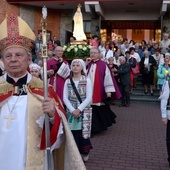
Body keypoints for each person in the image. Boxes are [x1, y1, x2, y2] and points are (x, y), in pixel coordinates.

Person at [0, 14, 86, 170]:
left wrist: (53, 116)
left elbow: (60, 137)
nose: (13, 59)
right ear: (3, 61)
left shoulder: (44, 90)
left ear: (28, 59)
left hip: (34, 159)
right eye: (8, 56)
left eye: (18, 55)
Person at [63, 59, 92, 162]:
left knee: (83, 132)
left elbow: (89, 97)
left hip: (83, 111)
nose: (75, 67)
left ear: (81, 67)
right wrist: (72, 110)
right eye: (73, 65)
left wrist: (79, 109)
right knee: (72, 132)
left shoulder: (86, 80)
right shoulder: (67, 81)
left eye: (77, 65)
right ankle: (74, 153)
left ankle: (85, 152)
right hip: (71, 112)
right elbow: (65, 97)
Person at [86, 47, 117, 134]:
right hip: (88, 91)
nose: (93, 54)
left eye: (95, 53)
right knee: (90, 108)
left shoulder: (104, 64)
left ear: (99, 54)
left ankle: (97, 128)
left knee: (98, 108)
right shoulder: (87, 64)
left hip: (99, 90)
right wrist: (85, 64)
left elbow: (107, 77)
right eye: (91, 53)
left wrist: (108, 91)